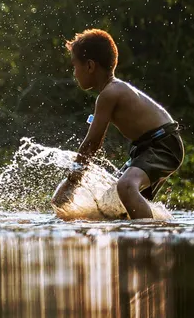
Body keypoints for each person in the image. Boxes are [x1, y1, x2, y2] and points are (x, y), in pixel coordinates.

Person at [51, 28, 182, 220]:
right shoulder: (109, 93)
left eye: (74, 66)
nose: (74, 73)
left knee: (126, 187)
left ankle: (146, 239)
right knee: (111, 203)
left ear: (89, 66)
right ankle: (137, 240)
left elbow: (92, 143)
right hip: (147, 147)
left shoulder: (110, 93)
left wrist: (72, 180)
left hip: (163, 144)